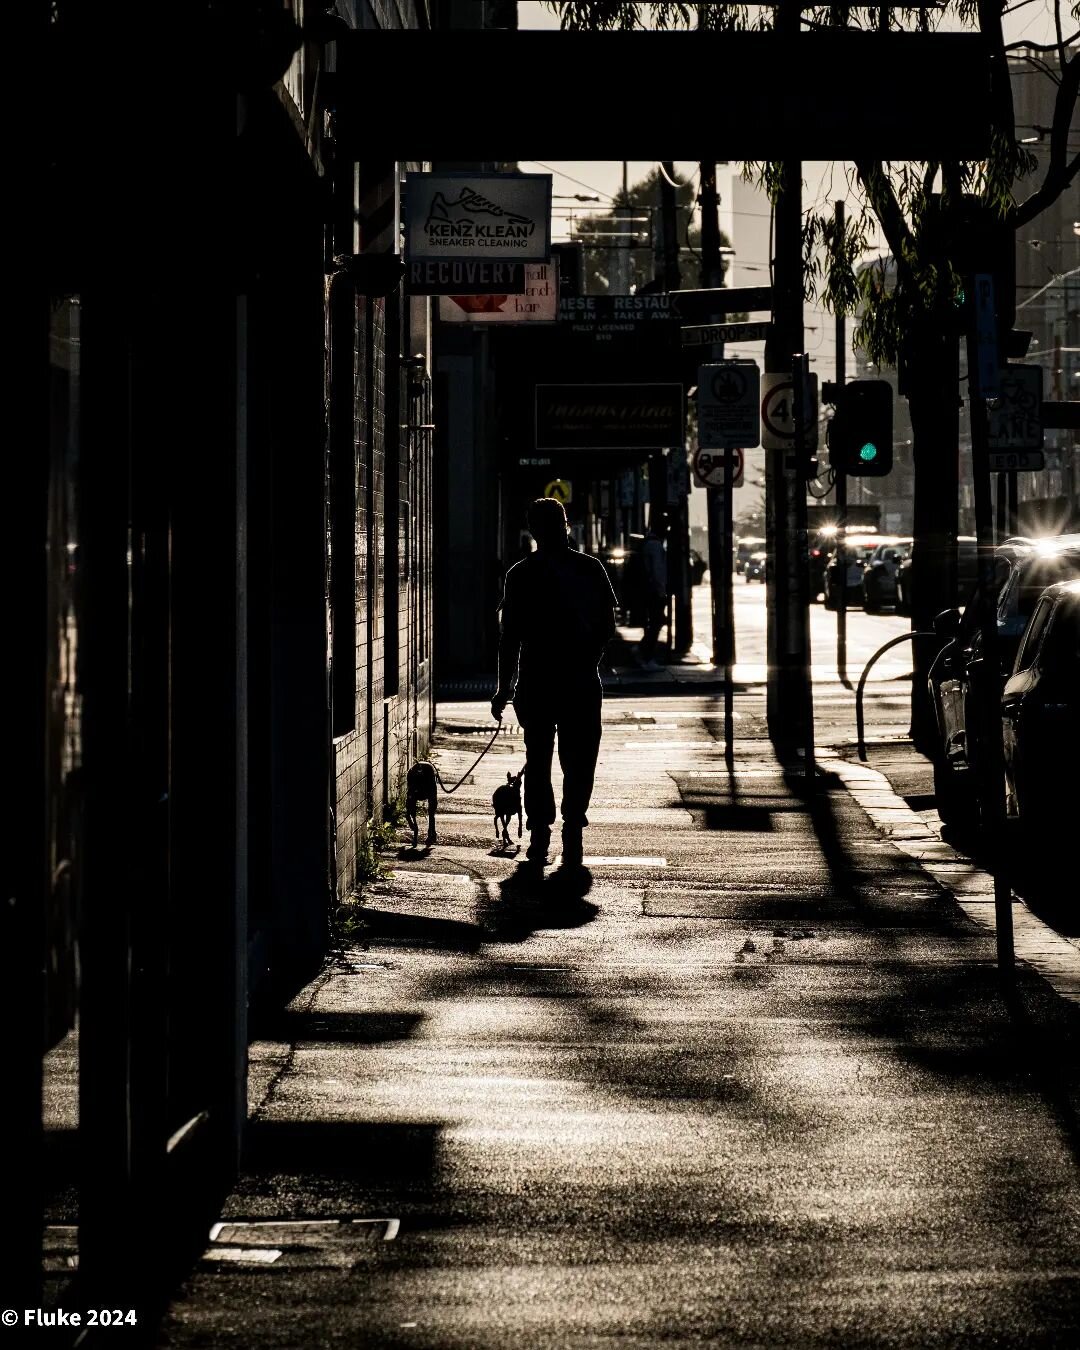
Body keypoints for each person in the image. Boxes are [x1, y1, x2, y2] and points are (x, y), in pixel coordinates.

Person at [490, 498, 618, 868]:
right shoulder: (590, 568)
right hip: (579, 682)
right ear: (567, 525)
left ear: (533, 529)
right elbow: (607, 628)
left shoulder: (520, 574)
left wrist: (503, 687)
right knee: (579, 760)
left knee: (539, 757)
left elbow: (509, 638)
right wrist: (587, 660)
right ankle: (573, 828)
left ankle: (540, 834)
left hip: (537, 682)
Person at [636, 516, 668, 671]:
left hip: (647, 590)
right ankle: (645, 653)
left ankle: (644, 652)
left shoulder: (647, 544)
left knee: (655, 622)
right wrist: (662, 592)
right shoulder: (655, 546)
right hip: (654, 591)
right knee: (657, 622)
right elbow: (657, 572)